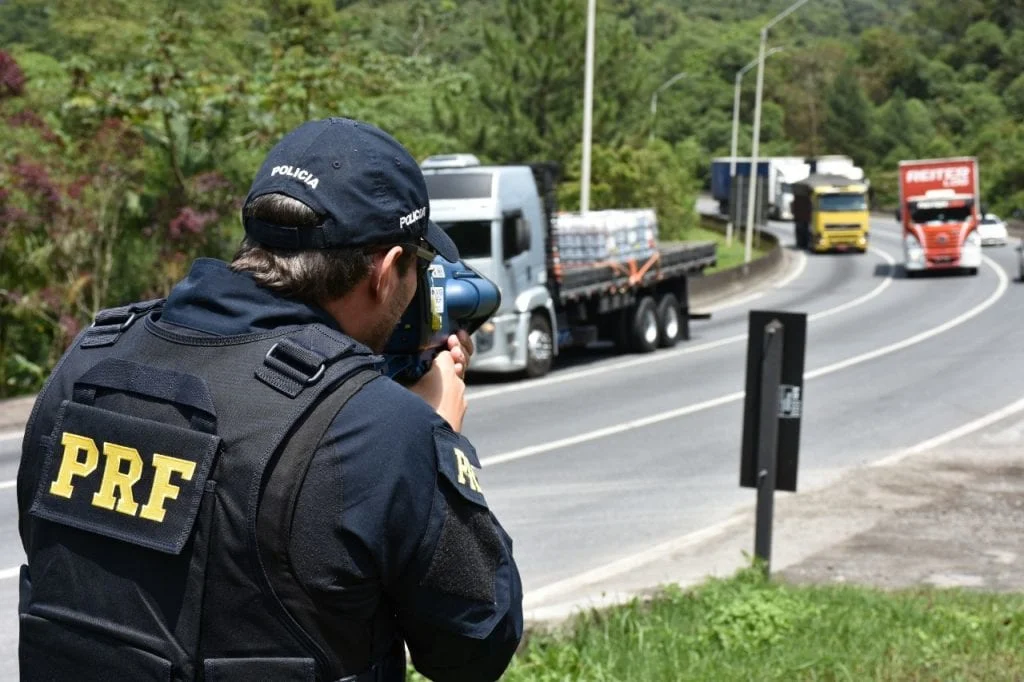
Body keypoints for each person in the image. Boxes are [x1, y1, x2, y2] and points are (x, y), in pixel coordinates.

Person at [17, 117, 523, 682]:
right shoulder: (381, 430)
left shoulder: (87, 362)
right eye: (417, 270)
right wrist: (437, 437)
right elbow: (475, 646)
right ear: (385, 273)